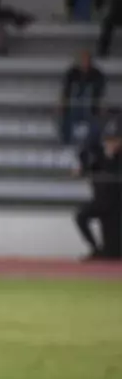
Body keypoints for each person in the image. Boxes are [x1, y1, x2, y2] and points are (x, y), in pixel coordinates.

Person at [74, 114, 122, 260]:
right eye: (108, 140)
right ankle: (95, 248)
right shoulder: (100, 156)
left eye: (114, 140)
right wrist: (82, 169)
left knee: (113, 252)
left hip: (117, 205)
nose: (111, 144)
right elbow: (89, 166)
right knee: (81, 216)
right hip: (101, 201)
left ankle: (104, 252)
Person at [59, 51, 106, 146]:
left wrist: (101, 106)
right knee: (65, 120)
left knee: (96, 123)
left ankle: (92, 145)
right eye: (83, 60)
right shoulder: (71, 73)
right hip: (73, 107)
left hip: (91, 107)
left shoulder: (97, 74)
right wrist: (62, 105)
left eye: (87, 60)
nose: (85, 62)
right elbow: (65, 91)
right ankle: (67, 143)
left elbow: (101, 93)